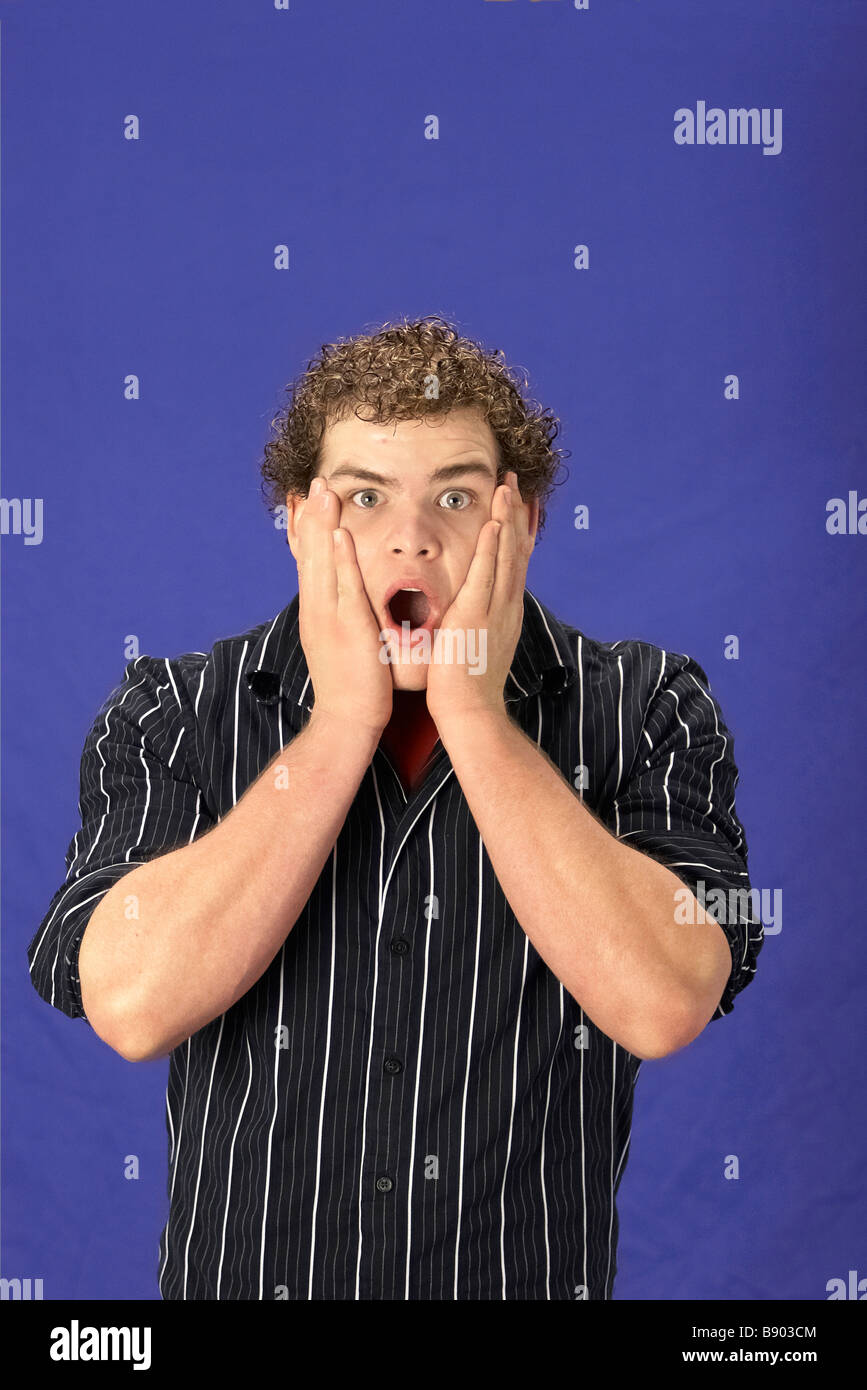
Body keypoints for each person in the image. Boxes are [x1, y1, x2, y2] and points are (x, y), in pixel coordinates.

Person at [27, 314, 763, 1300]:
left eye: (454, 495)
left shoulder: (646, 705)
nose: (412, 537)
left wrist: (476, 717)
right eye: (363, 496)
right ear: (297, 524)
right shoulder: (175, 708)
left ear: (525, 521)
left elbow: (665, 1001)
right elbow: (130, 1003)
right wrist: (338, 730)